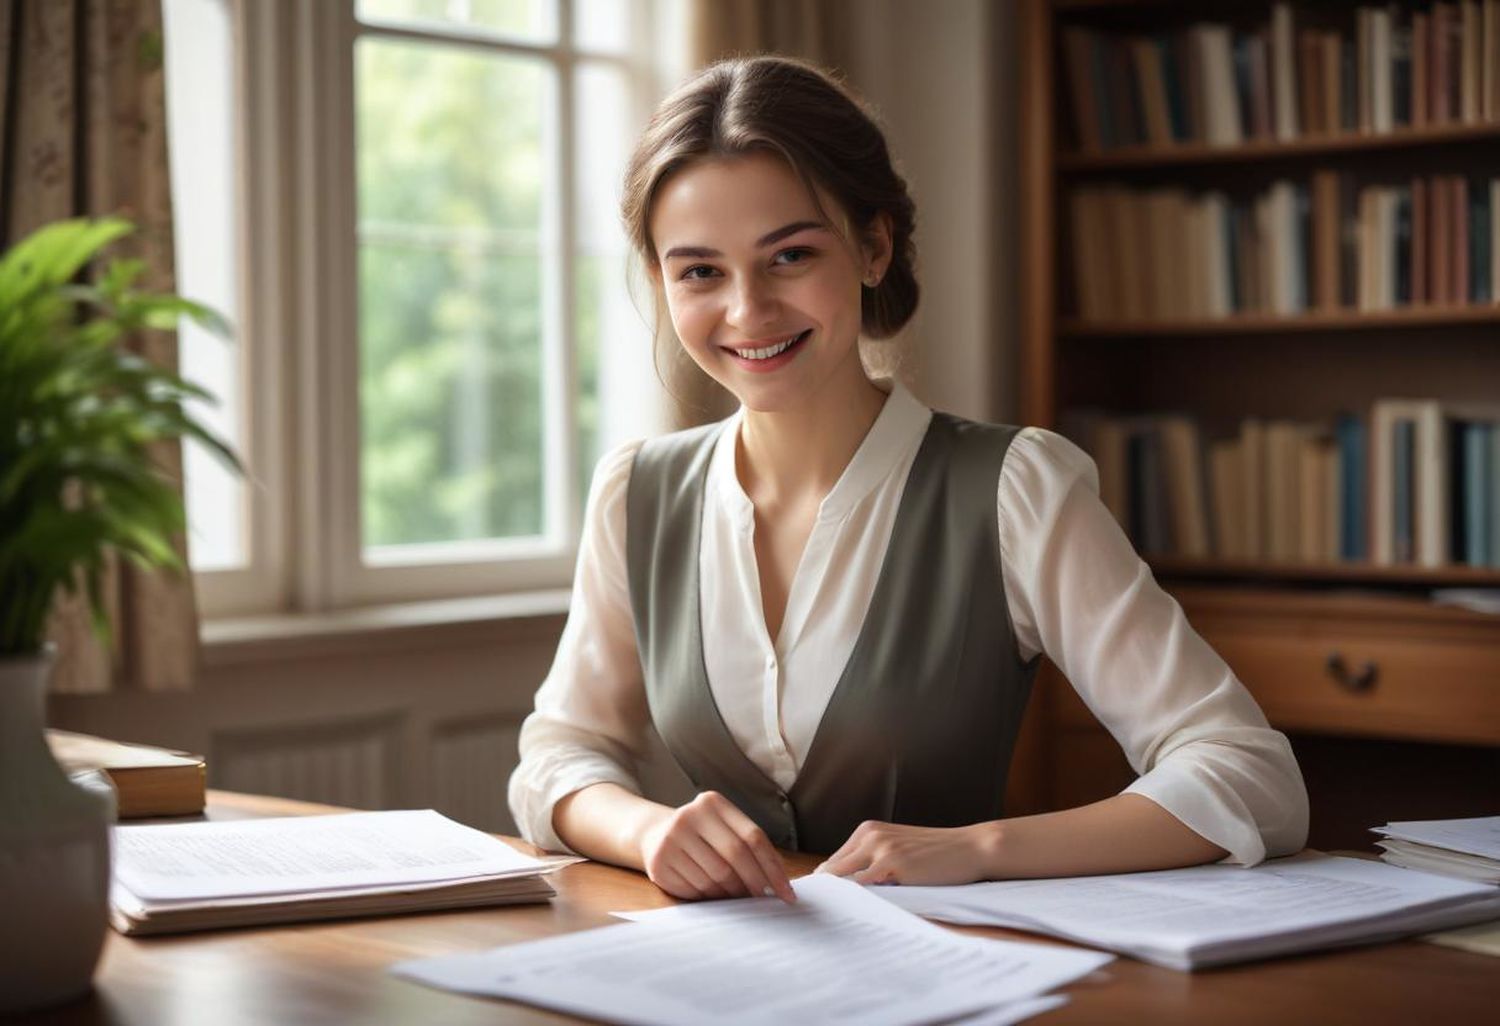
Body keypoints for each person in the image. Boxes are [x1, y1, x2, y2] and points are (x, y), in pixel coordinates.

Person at [508, 55, 1308, 905]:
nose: (747, 312)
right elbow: (559, 753)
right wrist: (649, 830)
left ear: (873, 246)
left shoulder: (1015, 490)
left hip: (963, 972)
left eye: (789, 256)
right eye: (700, 271)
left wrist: (981, 849)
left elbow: (1250, 774)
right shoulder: (637, 492)